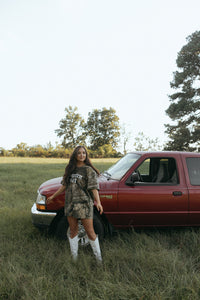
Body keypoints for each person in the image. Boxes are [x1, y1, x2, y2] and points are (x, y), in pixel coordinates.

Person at [47, 145, 103, 262]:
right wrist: (53, 196)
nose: (82, 155)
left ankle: (99, 260)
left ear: (86, 155)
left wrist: (98, 202)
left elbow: (94, 188)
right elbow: (64, 185)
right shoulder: (70, 169)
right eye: (79, 153)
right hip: (70, 205)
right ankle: (74, 258)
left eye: (84, 153)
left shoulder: (89, 170)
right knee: (73, 231)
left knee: (90, 232)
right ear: (75, 155)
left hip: (84, 205)